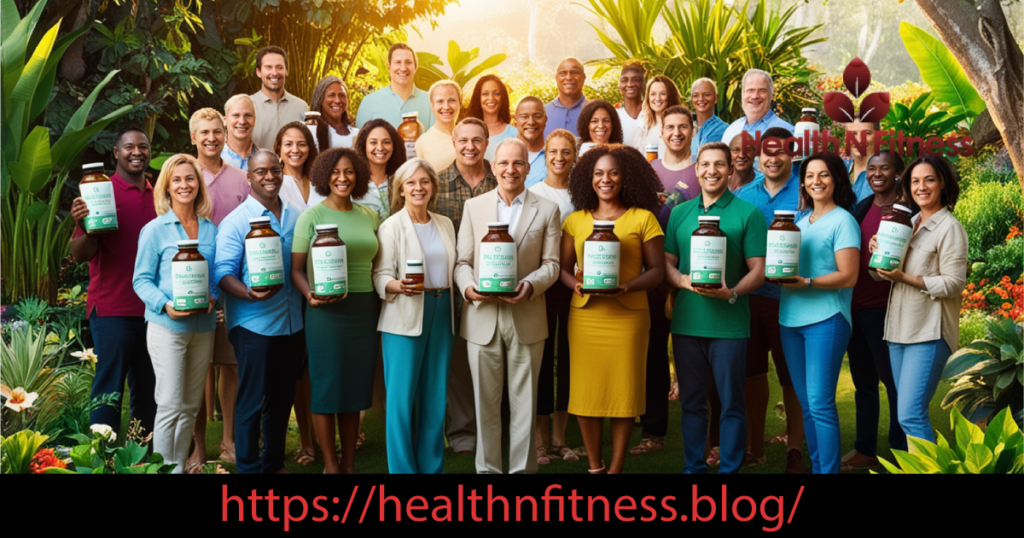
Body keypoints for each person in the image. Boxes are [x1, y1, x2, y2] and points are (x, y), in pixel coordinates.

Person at [454, 138, 561, 474]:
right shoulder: (474, 207)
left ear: (528, 168)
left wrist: (529, 286)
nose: (510, 170)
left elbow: (553, 264)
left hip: (527, 315)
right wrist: (470, 290)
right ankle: (487, 472)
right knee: (484, 406)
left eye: (518, 163)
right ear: (493, 167)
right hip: (481, 317)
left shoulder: (547, 209)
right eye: (503, 163)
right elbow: (461, 262)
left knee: (524, 406)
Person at [663, 142, 767, 474]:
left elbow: (759, 270)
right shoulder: (680, 213)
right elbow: (667, 262)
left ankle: (729, 470)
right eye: (705, 164)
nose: (712, 171)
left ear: (730, 169)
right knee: (692, 404)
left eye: (719, 165)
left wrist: (732, 293)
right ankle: (693, 467)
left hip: (729, 325)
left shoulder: (747, 214)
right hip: (686, 324)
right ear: (696, 170)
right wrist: (681, 282)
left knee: (732, 404)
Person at [561, 144, 665, 474]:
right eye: (598, 173)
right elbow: (562, 268)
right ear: (587, 179)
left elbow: (657, 271)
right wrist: (574, 284)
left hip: (629, 316)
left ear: (626, 177)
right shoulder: (575, 221)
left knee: (624, 394)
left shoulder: (643, 218)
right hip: (586, 316)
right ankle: (595, 466)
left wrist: (627, 286)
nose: (606, 179)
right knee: (585, 394)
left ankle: (616, 468)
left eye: (614, 172)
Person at [290, 147, 381, 474]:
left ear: (358, 176)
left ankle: (349, 464)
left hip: (364, 307)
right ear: (324, 175)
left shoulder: (369, 215)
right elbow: (296, 270)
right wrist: (309, 295)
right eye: (336, 172)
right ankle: (330, 465)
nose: (342, 178)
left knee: (356, 386)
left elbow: (379, 263)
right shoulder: (311, 216)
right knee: (327, 385)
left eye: (349, 172)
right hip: (325, 310)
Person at [213, 150, 304, 474]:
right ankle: (249, 467)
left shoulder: (296, 215)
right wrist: (248, 294)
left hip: (293, 322)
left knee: (281, 399)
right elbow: (222, 273)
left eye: (275, 170)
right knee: (252, 399)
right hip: (254, 323)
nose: (270, 176)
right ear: (249, 178)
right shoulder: (236, 222)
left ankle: (273, 464)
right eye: (261, 171)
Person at [132, 154, 218, 474]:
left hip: (203, 326)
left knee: (190, 406)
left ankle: (178, 467)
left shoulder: (210, 230)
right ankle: (162, 469)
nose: (185, 185)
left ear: (199, 184)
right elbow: (140, 279)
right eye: (177, 180)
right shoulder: (155, 230)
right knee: (169, 402)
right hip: (167, 327)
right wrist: (165, 304)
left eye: (190, 178)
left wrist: (214, 297)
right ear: (167, 187)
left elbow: (219, 274)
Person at [873, 155, 967, 444]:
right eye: (915, 181)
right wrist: (877, 252)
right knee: (909, 416)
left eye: (929, 179)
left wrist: (905, 277)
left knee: (910, 415)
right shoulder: (904, 223)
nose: (921, 186)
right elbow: (881, 276)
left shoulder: (949, 228)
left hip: (929, 332)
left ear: (942, 184)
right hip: (899, 330)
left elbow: (954, 283)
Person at [70, 127, 157, 437]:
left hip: (152, 310)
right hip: (112, 309)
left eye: (143, 147)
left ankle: (144, 457)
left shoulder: (160, 195)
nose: (137, 152)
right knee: (109, 389)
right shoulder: (100, 191)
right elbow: (80, 254)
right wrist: (84, 225)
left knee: (149, 389)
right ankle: (100, 456)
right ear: (116, 153)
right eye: (129, 147)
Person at [372, 158, 457, 473]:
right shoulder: (392, 226)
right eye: (411, 182)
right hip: (404, 316)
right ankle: (403, 471)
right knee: (400, 402)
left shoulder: (444, 223)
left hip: (441, 310)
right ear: (401, 189)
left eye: (424, 181)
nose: (418, 187)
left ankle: (432, 467)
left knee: (435, 399)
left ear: (433, 186)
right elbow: (379, 275)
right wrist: (398, 285)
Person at [779, 153, 861, 474]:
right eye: (810, 176)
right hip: (790, 321)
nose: (816, 181)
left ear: (837, 179)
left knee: (821, 404)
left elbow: (849, 275)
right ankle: (818, 469)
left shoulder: (843, 221)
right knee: (808, 407)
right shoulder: (798, 223)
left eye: (824, 174)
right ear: (803, 183)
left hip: (826, 321)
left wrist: (808, 281)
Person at [733, 126, 806, 473]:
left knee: (791, 375)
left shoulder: (806, 193)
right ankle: (755, 447)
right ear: (758, 156)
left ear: (792, 154)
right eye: (767, 152)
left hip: (790, 298)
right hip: (751, 298)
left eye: (781, 152)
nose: (773, 158)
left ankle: (794, 449)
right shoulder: (744, 195)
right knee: (752, 373)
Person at [632, 105, 698, 457]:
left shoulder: (704, 169)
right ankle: (654, 432)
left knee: (695, 357)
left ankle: (704, 433)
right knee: (654, 354)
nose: (676, 132)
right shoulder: (649, 173)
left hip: (695, 278)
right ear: (661, 131)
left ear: (692, 130)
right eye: (669, 126)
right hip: (656, 278)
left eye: (682, 127)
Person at [189, 107, 249, 469]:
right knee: (197, 368)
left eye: (217, 131)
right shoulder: (184, 175)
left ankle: (229, 442)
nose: (211, 137)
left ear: (225, 135)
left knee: (231, 366)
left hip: (231, 285)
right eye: (204, 132)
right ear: (193, 137)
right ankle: (198, 446)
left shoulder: (242, 179)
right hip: (193, 286)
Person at [435, 117, 497, 456]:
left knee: (493, 358)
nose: (469, 146)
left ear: (486, 143)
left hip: (498, 282)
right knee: (458, 361)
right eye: (463, 140)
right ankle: (462, 432)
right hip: (450, 285)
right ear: (454, 143)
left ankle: (495, 426)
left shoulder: (501, 178)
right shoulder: (438, 182)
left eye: (477, 140)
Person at [843, 150, 907, 471]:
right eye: (872, 169)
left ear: (898, 172)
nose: (876, 173)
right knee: (863, 384)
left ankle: (900, 451)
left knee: (893, 384)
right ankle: (864, 449)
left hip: (886, 309)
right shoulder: (863, 207)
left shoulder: (907, 211)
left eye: (884, 168)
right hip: (856, 307)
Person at [529, 129, 579, 464]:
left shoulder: (583, 195)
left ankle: (561, 438)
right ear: (544, 156)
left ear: (575, 156)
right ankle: (539, 441)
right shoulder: (534, 194)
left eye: (566, 152)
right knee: (541, 361)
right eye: (553, 152)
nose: (559, 158)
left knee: (571, 360)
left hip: (576, 288)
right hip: (542, 289)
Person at [355, 43, 434, 131]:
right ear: (389, 65)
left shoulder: (431, 101)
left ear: (415, 66)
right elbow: (360, 142)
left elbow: (439, 140)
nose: (403, 68)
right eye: (398, 62)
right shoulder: (369, 102)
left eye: (408, 62)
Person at [249, 46, 308, 151]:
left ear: (286, 71)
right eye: (268, 67)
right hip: (254, 167)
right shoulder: (247, 106)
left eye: (279, 67)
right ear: (258, 72)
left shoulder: (301, 107)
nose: (274, 73)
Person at [720, 69, 794, 148]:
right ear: (742, 94)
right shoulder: (732, 130)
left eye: (762, 91)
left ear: (772, 95)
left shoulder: (788, 132)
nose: (755, 96)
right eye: (750, 90)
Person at [354, 118, 407, 223]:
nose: (380, 148)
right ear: (364, 146)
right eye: (373, 142)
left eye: (386, 142)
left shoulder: (402, 181)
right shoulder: (353, 183)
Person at [416, 80, 462, 175]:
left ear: (460, 104)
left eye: (451, 100)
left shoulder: (472, 135)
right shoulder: (422, 142)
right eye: (440, 101)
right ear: (432, 106)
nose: (446, 107)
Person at [468, 74, 517, 162]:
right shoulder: (468, 132)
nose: (491, 98)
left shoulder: (514, 134)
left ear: (503, 98)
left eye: (496, 93)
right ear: (478, 98)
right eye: (485, 94)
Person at [631, 75, 682, 160]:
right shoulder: (643, 126)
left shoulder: (680, 125)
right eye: (653, 94)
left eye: (663, 94)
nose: (657, 98)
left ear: (670, 96)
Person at [275, 121, 323, 210]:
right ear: (279, 148)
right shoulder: (274, 183)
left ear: (309, 148)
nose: (295, 150)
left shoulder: (321, 181)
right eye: (288, 144)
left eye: (301, 144)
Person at [307, 76, 358, 150]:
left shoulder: (356, 134)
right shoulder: (311, 131)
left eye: (342, 96)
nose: (337, 100)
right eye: (331, 95)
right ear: (320, 99)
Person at [544, 57, 587, 138]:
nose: (568, 78)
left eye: (575, 73)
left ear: (584, 77)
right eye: (563, 73)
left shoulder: (594, 112)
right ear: (556, 78)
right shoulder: (543, 113)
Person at [690, 78, 728, 158]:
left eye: (707, 94)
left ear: (716, 98)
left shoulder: (724, 130)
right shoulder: (685, 127)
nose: (701, 99)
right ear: (692, 99)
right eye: (696, 95)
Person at [516, 97, 549, 188]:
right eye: (524, 116)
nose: (531, 122)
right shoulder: (503, 152)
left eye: (537, 116)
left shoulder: (556, 156)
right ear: (516, 120)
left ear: (545, 119)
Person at [845, 118, 880, 203]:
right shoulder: (840, 169)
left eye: (867, 133)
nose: (859, 140)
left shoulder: (887, 173)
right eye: (853, 134)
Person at [222, 94, 259, 171]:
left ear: (254, 120)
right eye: (236, 115)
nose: (242, 121)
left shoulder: (265, 160)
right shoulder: (213, 159)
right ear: (225, 120)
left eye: (248, 115)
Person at [616, 61, 646, 147]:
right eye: (624, 80)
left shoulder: (653, 113)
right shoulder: (614, 116)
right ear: (619, 85)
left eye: (636, 80)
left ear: (643, 84)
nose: (630, 84)